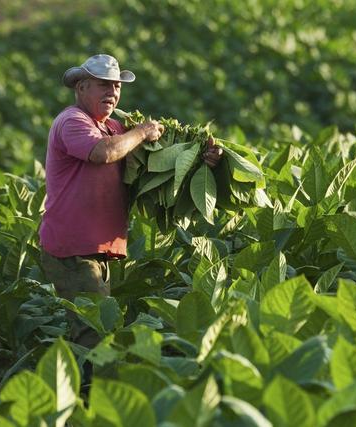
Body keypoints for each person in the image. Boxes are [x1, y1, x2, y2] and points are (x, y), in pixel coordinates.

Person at [39, 54, 222, 348]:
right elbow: (103, 153)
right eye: (104, 85)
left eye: (117, 87)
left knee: (96, 326)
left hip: (97, 247)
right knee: (94, 333)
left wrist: (203, 158)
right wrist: (141, 131)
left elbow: (154, 165)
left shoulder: (113, 127)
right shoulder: (72, 121)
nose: (113, 93)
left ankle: (82, 383)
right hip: (73, 248)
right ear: (82, 87)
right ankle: (88, 390)